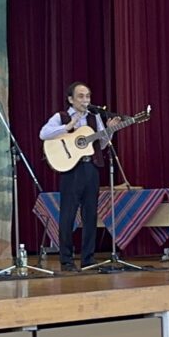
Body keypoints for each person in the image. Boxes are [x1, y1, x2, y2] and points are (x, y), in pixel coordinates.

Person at [38, 82, 125, 271]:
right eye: (81, 96)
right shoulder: (60, 116)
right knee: (68, 215)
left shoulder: (94, 118)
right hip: (71, 170)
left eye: (88, 96)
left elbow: (100, 146)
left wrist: (109, 131)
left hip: (90, 168)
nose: (85, 100)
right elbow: (43, 134)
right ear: (71, 99)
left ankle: (88, 258)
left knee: (90, 214)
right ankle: (66, 260)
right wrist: (68, 126)